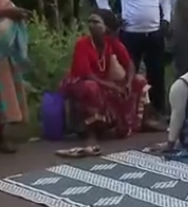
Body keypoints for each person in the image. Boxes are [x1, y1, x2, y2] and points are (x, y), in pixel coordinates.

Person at [94, 0, 171, 117]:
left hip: (153, 31)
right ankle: (129, 113)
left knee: (156, 73)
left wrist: (166, 19)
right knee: (129, 74)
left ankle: (158, 112)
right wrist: (111, 17)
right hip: (130, 33)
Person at [58, 10, 150, 157]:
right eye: (90, 22)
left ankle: (131, 124)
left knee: (138, 81)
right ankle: (91, 134)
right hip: (80, 82)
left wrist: (127, 82)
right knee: (92, 88)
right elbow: (86, 74)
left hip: (102, 82)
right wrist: (112, 86)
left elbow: (130, 64)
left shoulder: (112, 43)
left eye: (96, 22)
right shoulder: (82, 44)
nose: (91, 25)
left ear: (106, 27)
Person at [0, 0, 29, 154]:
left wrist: (18, 13)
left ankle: (2, 138)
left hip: (3, 54)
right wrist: (8, 13)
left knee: (4, 96)